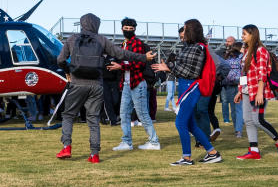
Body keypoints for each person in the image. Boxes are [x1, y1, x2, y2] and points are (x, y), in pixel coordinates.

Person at [55, 13, 156, 163]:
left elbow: (61, 60)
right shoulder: (101, 40)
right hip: (96, 84)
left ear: (82, 24)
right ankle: (94, 154)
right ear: (97, 24)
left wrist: (68, 71)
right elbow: (121, 54)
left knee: (68, 115)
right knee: (93, 119)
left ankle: (66, 147)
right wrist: (143, 57)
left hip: (77, 83)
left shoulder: (72, 39)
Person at [151, 19, 222, 166]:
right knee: (190, 125)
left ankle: (187, 157)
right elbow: (185, 67)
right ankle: (212, 152)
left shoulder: (198, 48)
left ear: (191, 30)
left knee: (181, 123)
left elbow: (192, 72)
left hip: (191, 87)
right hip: (186, 86)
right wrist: (170, 66)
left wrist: (169, 68)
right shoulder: (190, 46)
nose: (182, 32)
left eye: (184, 28)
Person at [233, 25, 278, 160]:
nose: (242, 36)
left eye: (244, 34)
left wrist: (260, 92)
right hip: (247, 90)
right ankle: (254, 150)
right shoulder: (247, 51)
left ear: (252, 35)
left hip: (258, 90)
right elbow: (244, 73)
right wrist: (240, 91)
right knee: (248, 120)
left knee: (258, 120)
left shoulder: (260, 51)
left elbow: (262, 73)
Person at [109, 18, 160, 152]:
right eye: (126, 29)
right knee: (124, 113)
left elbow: (139, 63)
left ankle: (154, 141)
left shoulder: (136, 43)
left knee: (142, 114)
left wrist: (121, 66)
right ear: (122, 29)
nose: (128, 31)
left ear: (134, 30)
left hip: (137, 83)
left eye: (131, 29)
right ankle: (127, 142)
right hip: (128, 83)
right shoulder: (124, 44)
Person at [220, 42, 244, 137]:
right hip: (240, 84)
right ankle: (238, 130)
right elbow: (244, 72)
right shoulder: (242, 58)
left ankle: (236, 129)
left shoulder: (227, 58)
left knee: (233, 108)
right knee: (239, 109)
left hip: (229, 84)